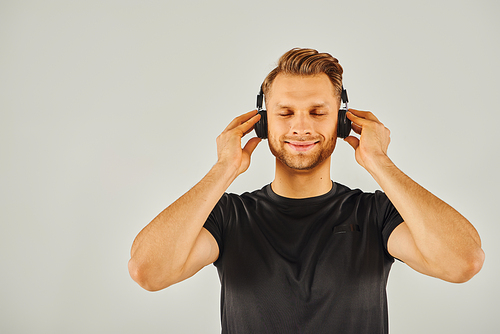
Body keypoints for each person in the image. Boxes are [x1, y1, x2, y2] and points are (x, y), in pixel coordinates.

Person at [128, 48, 485, 333]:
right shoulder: (228, 217)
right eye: (285, 113)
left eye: (317, 112)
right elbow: (148, 271)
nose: (301, 127)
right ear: (263, 122)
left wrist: (378, 161)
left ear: (342, 122)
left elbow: (463, 262)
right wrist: (223, 169)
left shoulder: (376, 215)